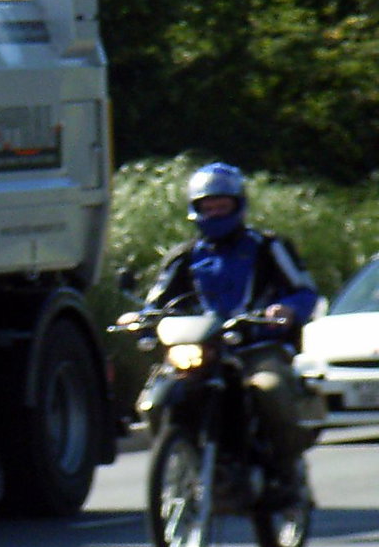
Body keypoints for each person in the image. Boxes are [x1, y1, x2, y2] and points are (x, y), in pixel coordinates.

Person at [135, 161, 322, 496]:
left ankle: (285, 473)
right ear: (195, 210)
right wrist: (140, 319)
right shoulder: (184, 256)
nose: (216, 213)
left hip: (256, 347)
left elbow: (304, 291)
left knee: (270, 390)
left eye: (223, 206)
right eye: (208, 207)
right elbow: (156, 302)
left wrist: (287, 310)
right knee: (154, 397)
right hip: (202, 349)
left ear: (239, 205)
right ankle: (181, 458)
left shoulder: (267, 247)